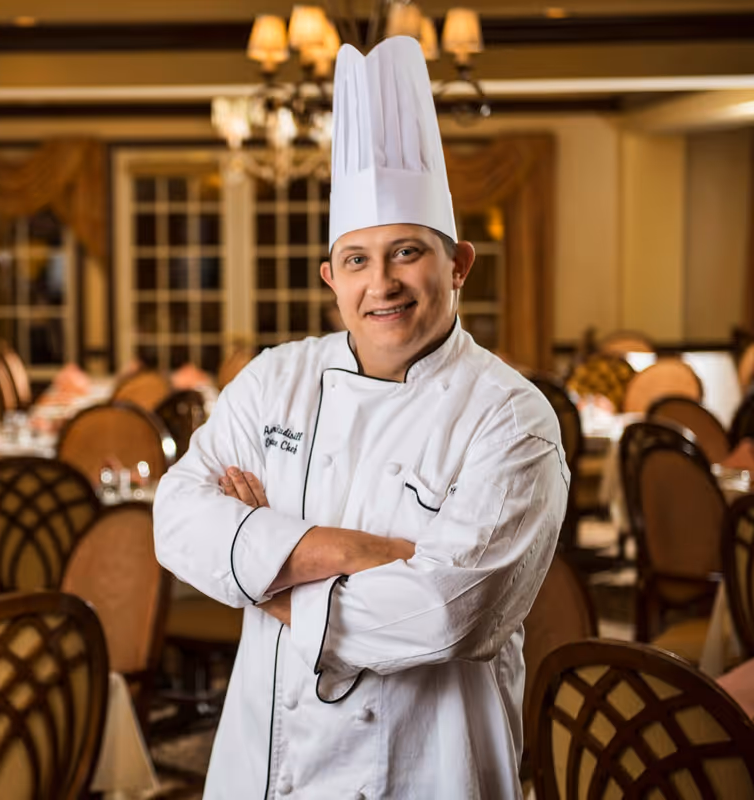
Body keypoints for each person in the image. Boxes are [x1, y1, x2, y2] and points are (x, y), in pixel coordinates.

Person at [153, 37, 568, 799]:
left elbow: (446, 615)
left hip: (427, 766)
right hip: (265, 764)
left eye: (407, 252)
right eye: (357, 260)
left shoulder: (512, 418)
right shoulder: (275, 378)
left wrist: (261, 571)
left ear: (458, 264)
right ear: (331, 278)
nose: (382, 283)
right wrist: (360, 551)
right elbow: (177, 519)